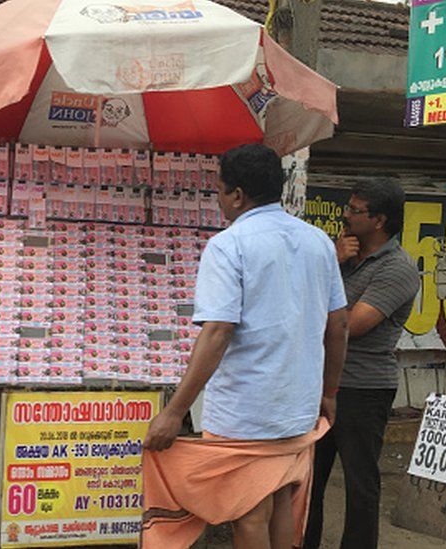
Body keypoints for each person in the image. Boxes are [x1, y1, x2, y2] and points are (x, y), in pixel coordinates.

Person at [142, 144, 349, 549]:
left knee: (249, 511)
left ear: (237, 195)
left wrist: (174, 412)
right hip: (298, 405)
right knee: (279, 498)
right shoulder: (319, 242)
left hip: (246, 410)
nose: (220, 201)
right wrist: (329, 392)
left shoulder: (229, 245)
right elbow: (337, 324)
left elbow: (218, 331)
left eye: (219, 191)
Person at [303, 180, 420, 549]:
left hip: (364, 387)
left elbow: (350, 326)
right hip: (322, 382)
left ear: (379, 220)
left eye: (355, 210)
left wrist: (317, 310)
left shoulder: (398, 269)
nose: (345, 214)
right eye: (348, 207)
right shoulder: (340, 258)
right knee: (308, 478)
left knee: (359, 482)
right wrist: (332, 262)